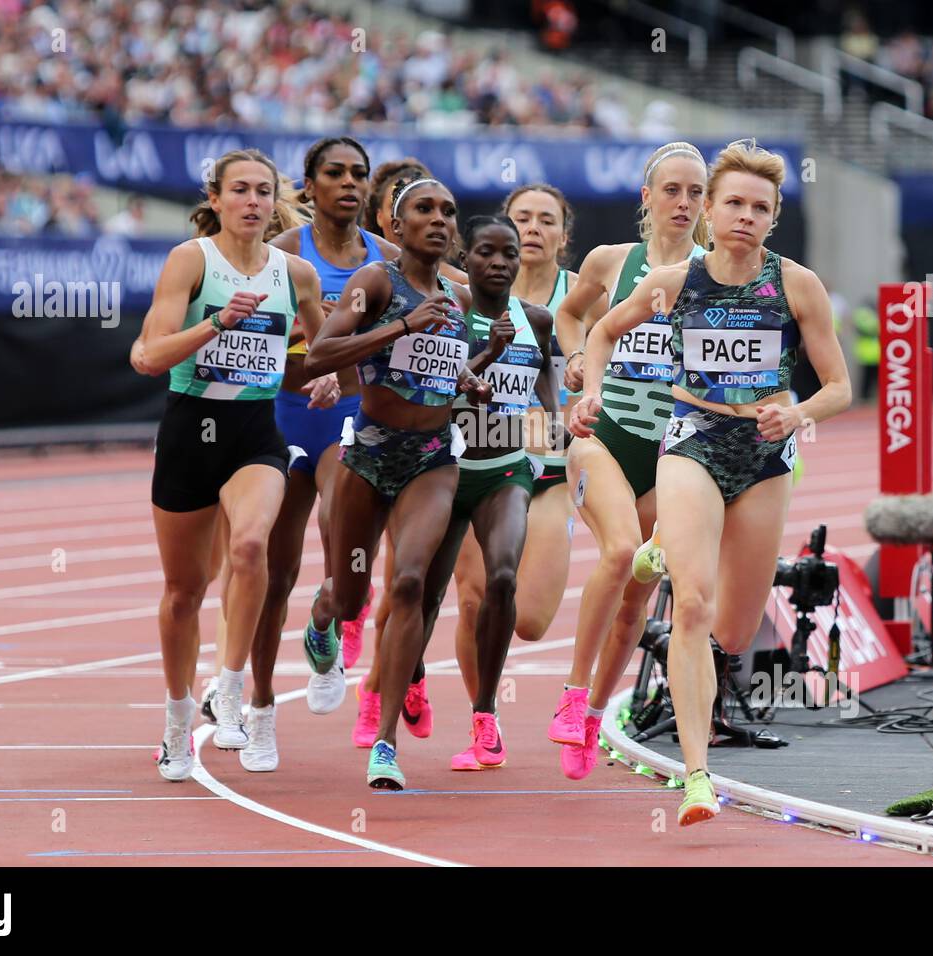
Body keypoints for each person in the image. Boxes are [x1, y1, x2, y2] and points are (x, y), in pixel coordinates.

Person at [571, 139, 851, 825]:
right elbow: (601, 332)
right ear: (711, 210)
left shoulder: (796, 284)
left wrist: (798, 411)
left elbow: (840, 385)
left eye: (760, 207)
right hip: (693, 438)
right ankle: (699, 777)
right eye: (732, 202)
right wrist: (590, 392)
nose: (744, 216)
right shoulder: (674, 281)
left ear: (773, 218)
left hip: (762, 455)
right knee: (691, 608)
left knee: (734, 623)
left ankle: (663, 544)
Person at [301, 177, 496, 790]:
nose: (439, 220)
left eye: (448, 212)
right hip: (369, 454)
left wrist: (472, 375)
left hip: (432, 459)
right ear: (395, 223)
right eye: (424, 210)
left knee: (409, 583)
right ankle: (324, 616)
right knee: (354, 596)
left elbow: (441, 368)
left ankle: (384, 744)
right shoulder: (376, 282)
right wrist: (399, 328)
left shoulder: (458, 300)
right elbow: (319, 354)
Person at [136, 148, 322, 781]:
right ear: (214, 199)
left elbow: (317, 352)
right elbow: (148, 356)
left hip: (254, 435)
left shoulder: (295, 274)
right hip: (190, 430)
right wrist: (215, 323)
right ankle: (175, 722)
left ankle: (231, 685)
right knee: (184, 592)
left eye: (263, 191)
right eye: (238, 190)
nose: (251, 201)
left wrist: (325, 379)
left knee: (250, 548)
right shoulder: (191, 261)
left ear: (275, 202)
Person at [232, 137, 403, 771]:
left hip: (352, 419)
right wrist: (305, 355)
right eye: (335, 173)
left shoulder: (386, 260)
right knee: (272, 574)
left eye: (359, 174)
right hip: (283, 417)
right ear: (309, 184)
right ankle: (261, 708)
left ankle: (328, 619)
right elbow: (248, 339)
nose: (350, 183)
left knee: (345, 546)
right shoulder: (281, 254)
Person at [550, 142, 710, 780]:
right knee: (619, 553)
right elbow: (570, 314)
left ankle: (592, 716)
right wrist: (576, 365)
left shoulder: (717, 274)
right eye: (672, 190)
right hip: (604, 433)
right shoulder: (611, 262)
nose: (684, 203)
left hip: (671, 450)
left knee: (635, 598)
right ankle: (568, 696)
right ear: (647, 197)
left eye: (696, 193)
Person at [414, 215, 558, 770]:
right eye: (485, 253)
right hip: (444, 470)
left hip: (506, 471)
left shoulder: (536, 319)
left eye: (508, 254)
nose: (498, 263)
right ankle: (412, 674)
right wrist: (487, 355)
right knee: (424, 593)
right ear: (465, 258)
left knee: (501, 576)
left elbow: (544, 371)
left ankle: (484, 714)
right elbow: (436, 386)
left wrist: (554, 415)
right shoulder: (446, 316)